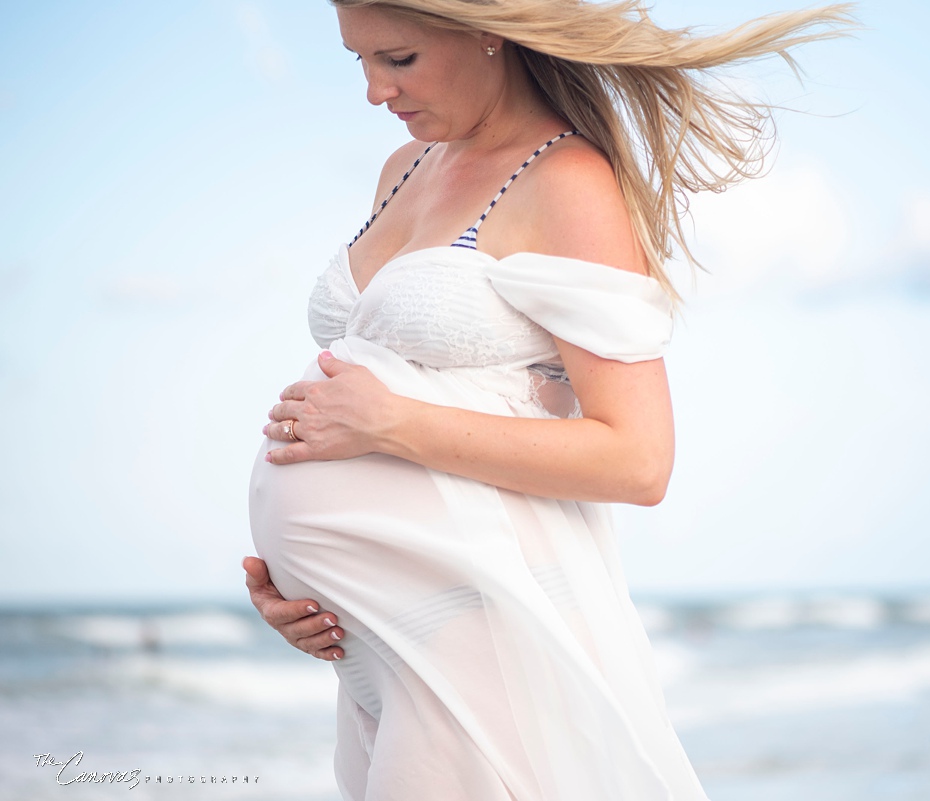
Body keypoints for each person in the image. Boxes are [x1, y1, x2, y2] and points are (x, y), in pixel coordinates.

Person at [243, 0, 855, 798]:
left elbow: (638, 459)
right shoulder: (403, 170)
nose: (373, 91)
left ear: (486, 27)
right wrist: (312, 589)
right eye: (356, 60)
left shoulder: (567, 182)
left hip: (485, 635)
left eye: (398, 58)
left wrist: (392, 422)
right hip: (389, 646)